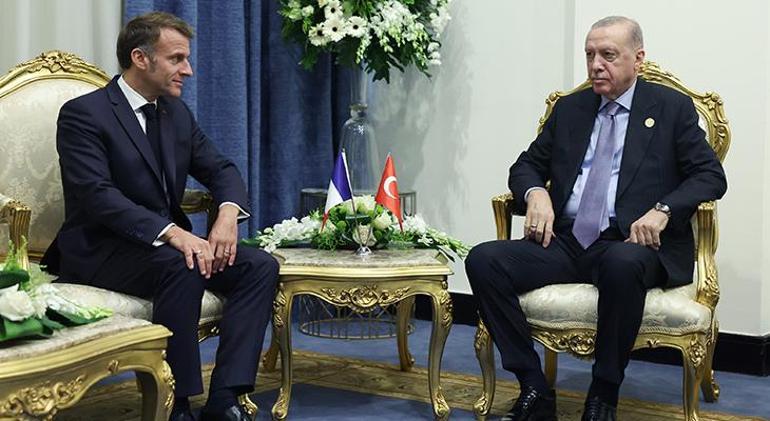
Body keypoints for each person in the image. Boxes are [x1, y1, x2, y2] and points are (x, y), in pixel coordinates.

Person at [465, 16, 727, 421]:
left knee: (622, 263)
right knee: (484, 260)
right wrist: (536, 194)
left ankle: (603, 394)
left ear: (638, 59)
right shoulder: (571, 109)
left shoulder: (670, 109)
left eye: (608, 55)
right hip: (568, 242)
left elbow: (710, 176)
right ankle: (534, 386)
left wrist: (663, 210)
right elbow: (526, 166)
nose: (595, 65)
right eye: (590, 55)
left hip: (633, 245)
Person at [41, 11, 278, 421]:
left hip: (162, 252)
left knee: (259, 266)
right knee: (183, 262)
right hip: (102, 250)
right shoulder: (84, 114)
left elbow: (221, 169)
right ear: (140, 58)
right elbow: (97, 196)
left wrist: (226, 215)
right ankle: (175, 403)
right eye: (176, 59)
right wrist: (173, 232)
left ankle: (225, 399)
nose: (187, 70)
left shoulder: (175, 113)